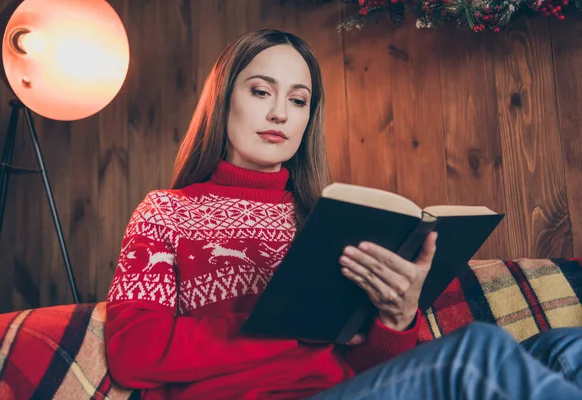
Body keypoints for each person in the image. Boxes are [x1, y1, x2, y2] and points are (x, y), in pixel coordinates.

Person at [104, 29, 582, 399]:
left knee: (570, 349)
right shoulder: (166, 212)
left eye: (298, 100)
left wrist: (397, 320)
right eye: (259, 92)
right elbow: (133, 353)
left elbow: (366, 369)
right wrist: (289, 324)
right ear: (222, 99)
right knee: (480, 350)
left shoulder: (326, 218)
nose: (280, 114)